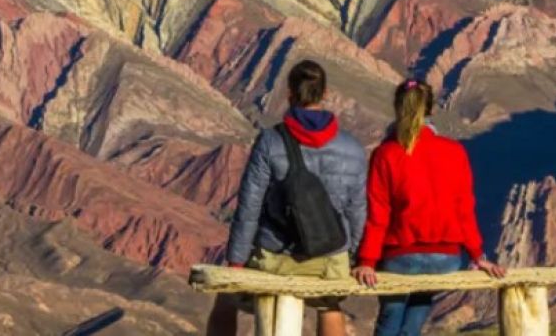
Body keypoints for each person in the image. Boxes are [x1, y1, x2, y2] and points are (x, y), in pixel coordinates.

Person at [206, 60, 367, 336]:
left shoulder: (270, 142)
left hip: (275, 258)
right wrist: (350, 254)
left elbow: (249, 207)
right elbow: (357, 210)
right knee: (330, 306)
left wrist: (235, 263)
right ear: (325, 94)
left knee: (226, 297)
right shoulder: (352, 148)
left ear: (290, 95)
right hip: (329, 260)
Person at [353, 79, 506, 336]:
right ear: (432, 110)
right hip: (445, 259)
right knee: (419, 307)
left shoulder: (386, 154)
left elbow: (378, 215)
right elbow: (464, 210)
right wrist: (479, 256)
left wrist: (367, 260)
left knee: (391, 315)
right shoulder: (455, 152)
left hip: (399, 257)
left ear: (398, 108)